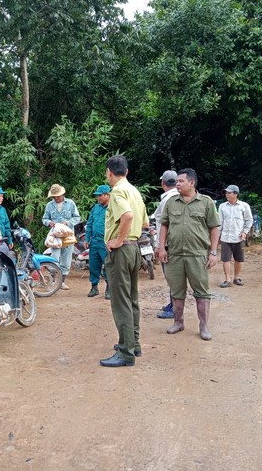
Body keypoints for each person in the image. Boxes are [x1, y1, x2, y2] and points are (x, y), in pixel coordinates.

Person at [158, 168, 220, 341]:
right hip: (175, 254)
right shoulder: (172, 202)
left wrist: (213, 253)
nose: (177, 184)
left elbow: (214, 227)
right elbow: (164, 225)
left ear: (192, 183)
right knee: (177, 291)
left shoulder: (206, 203)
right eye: (176, 181)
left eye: (181, 181)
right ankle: (178, 322)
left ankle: (204, 326)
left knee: (202, 292)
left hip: (197, 254)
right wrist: (162, 248)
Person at [100, 156, 149, 368]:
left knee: (121, 303)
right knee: (132, 299)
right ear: (127, 172)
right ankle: (133, 343)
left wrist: (118, 240)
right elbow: (145, 222)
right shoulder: (135, 192)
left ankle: (126, 352)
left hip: (121, 251)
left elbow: (127, 216)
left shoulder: (118, 192)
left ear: (109, 172)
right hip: (134, 248)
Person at [42, 184, 81, 290]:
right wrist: (49, 223)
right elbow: (44, 219)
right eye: (54, 197)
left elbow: (77, 217)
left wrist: (67, 223)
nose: (56, 198)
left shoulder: (71, 203)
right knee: (54, 258)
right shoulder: (49, 205)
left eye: (58, 196)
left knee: (66, 259)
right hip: (55, 236)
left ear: (63, 194)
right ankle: (55, 280)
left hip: (68, 236)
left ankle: (62, 282)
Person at [153, 170, 179, 319]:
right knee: (172, 276)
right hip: (175, 242)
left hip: (168, 244)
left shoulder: (167, 199)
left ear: (163, 183)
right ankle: (172, 304)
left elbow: (162, 224)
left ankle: (174, 308)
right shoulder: (178, 197)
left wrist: (159, 245)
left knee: (172, 277)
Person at [218, 184, 253, 288]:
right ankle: (227, 279)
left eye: (229, 193)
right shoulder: (222, 206)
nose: (227, 194)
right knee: (226, 259)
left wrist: (245, 232)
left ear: (236, 194)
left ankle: (236, 278)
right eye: (226, 192)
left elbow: (249, 220)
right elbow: (219, 222)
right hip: (225, 237)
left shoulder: (244, 206)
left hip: (238, 237)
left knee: (238, 258)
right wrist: (218, 236)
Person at [85, 184, 110, 299]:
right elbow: (89, 224)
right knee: (93, 265)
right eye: (98, 196)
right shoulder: (95, 208)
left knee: (108, 265)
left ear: (107, 195)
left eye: (100, 195)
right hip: (94, 242)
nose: (98, 198)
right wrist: (87, 238)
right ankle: (94, 287)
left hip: (106, 242)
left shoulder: (112, 208)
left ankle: (109, 288)